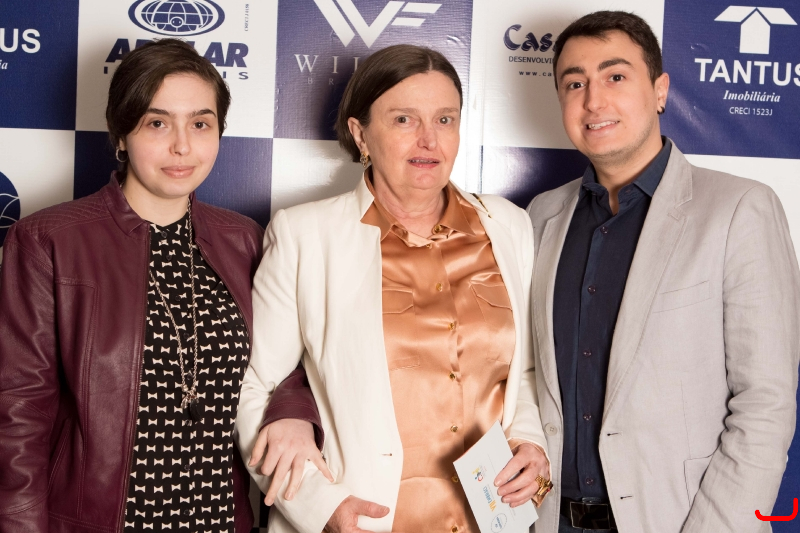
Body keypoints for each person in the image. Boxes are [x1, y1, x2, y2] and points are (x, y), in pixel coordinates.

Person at [0, 38, 327, 532]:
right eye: (157, 123)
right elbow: (19, 410)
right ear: (121, 134)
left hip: (221, 518)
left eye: (200, 124)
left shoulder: (244, 239)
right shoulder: (49, 240)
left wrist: (294, 413)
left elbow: (286, 364)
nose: (182, 146)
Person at [237, 44, 551, 533]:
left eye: (445, 120)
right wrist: (320, 508)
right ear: (360, 133)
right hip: (359, 520)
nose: (429, 139)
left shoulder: (509, 226)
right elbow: (256, 387)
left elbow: (526, 373)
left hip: (490, 519)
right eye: (404, 120)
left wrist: (530, 442)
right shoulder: (304, 235)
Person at [526, 10, 800, 533]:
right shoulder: (542, 215)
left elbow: (765, 404)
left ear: (659, 91)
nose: (594, 100)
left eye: (615, 76)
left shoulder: (739, 208)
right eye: (575, 84)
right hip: (550, 521)